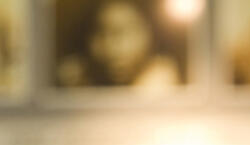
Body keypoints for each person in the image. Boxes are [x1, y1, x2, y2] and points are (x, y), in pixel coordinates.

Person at [55, 0, 183, 89]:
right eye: (101, 33)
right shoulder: (76, 79)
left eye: (127, 30)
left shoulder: (164, 78)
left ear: (151, 34)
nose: (112, 47)